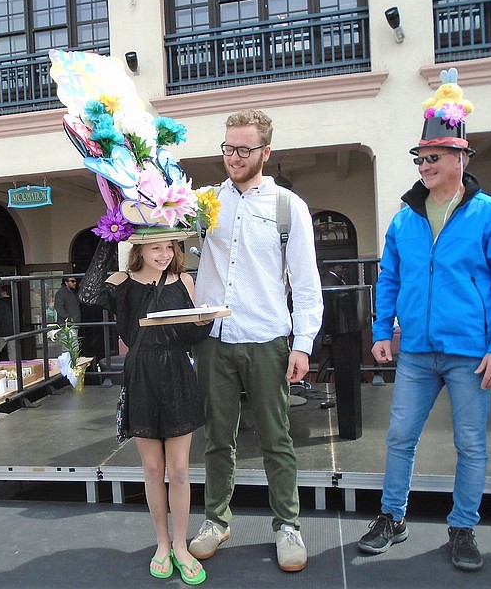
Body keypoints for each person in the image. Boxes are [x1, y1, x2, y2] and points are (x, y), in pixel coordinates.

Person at [358, 70, 491, 571]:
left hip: (472, 354)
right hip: (414, 350)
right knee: (399, 437)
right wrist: (380, 330)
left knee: (471, 443)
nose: (424, 165)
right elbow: (388, 278)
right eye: (420, 158)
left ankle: (462, 528)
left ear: (461, 158)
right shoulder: (404, 218)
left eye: (433, 157)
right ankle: (392, 517)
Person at [191, 109, 323, 572]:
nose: (234, 157)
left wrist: (303, 343)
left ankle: (287, 525)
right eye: (228, 148)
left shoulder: (289, 206)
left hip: (267, 336)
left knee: (276, 438)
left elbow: (306, 283)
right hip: (213, 336)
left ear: (266, 151)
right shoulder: (203, 201)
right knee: (216, 438)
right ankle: (215, 520)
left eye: (244, 149)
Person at [80, 237, 211, 584]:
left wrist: (204, 323)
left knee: (180, 469)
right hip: (141, 376)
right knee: (153, 469)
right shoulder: (123, 282)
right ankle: (162, 543)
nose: (165, 254)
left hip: (178, 375)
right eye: (155, 248)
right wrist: (108, 241)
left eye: (170, 247)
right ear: (139, 250)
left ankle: (181, 545)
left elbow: (191, 335)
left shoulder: (184, 281)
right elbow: (88, 294)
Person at [0, 286, 14, 360]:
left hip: (3, 331)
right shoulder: (14, 301)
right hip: (13, 331)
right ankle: (14, 366)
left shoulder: (1, 303)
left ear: (4, 292)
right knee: (13, 352)